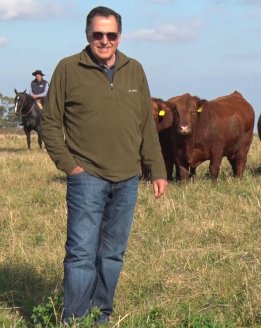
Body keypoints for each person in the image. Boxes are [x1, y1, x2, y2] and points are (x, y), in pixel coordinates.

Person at [41, 6, 168, 324]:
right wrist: (70, 166)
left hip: (127, 178)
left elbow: (146, 125)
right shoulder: (68, 69)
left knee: (112, 254)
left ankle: (100, 316)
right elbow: (50, 123)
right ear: (88, 35)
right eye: (98, 34)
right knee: (82, 253)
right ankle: (76, 319)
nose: (104, 40)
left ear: (119, 36)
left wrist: (158, 169)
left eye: (111, 35)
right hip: (87, 176)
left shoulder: (134, 69)